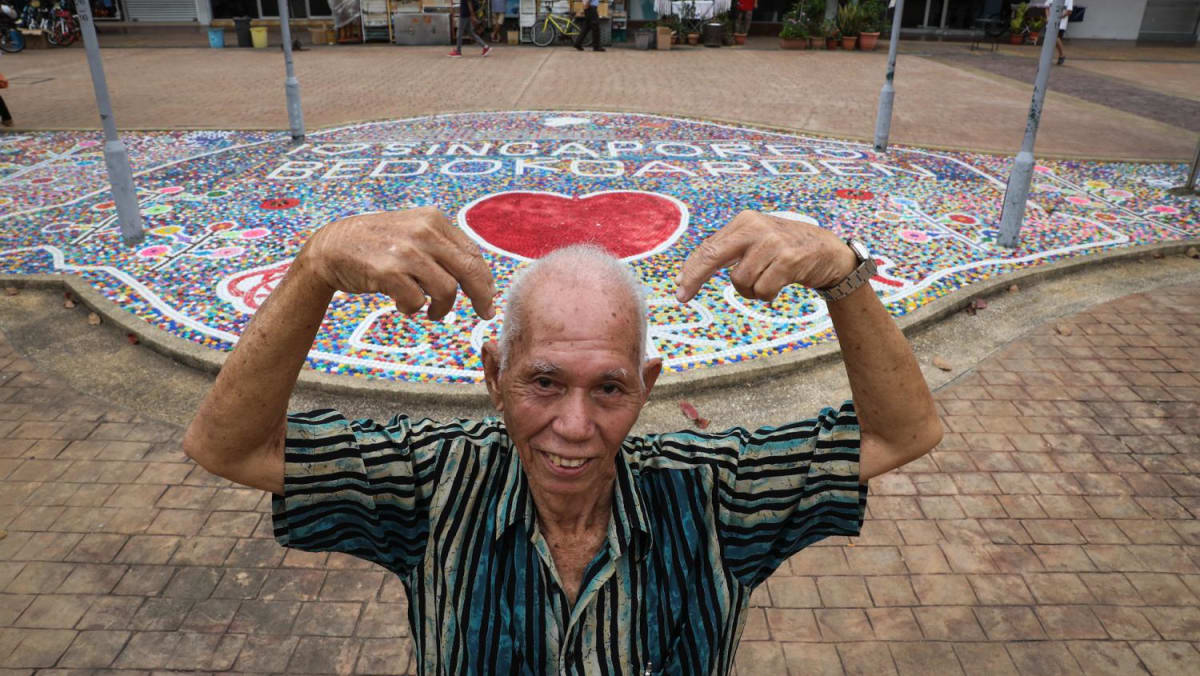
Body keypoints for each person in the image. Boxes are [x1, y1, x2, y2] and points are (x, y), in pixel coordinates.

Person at [184, 208, 942, 674]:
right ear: (494, 375)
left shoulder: (717, 491)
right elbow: (232, 448)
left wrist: (845, 274)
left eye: (609, 388)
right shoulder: (431, 481)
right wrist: (315, 267)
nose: (575, 428)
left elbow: (902, 432)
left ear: (646, 385)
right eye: (543, 382)